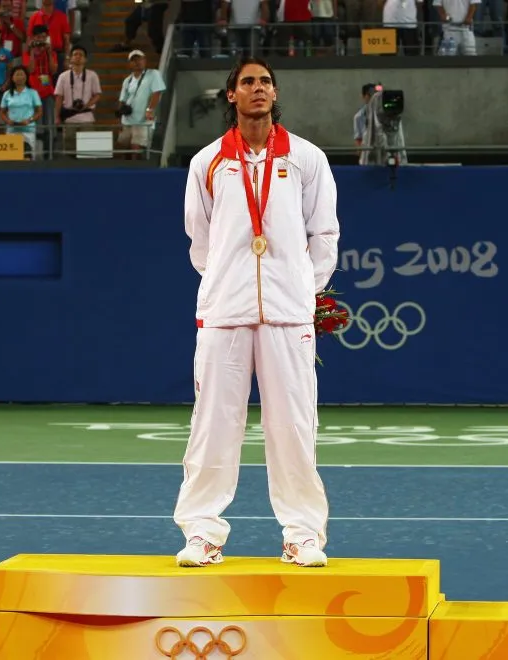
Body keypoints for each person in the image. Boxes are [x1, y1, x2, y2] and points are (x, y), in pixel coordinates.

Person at [174, 57, 340, 568]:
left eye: (265, 81)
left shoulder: (307, 158)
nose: (258, 89)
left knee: (293, 425)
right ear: (232, 96)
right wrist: (229, 283)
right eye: (248, 82)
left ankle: (302, 534)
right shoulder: (207, 163)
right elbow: (199, 241)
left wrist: (298, 291)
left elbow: (324, 234)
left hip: (289, 317)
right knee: (213, 426)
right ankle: (202, 532)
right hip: (225, 312)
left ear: (274, 92)